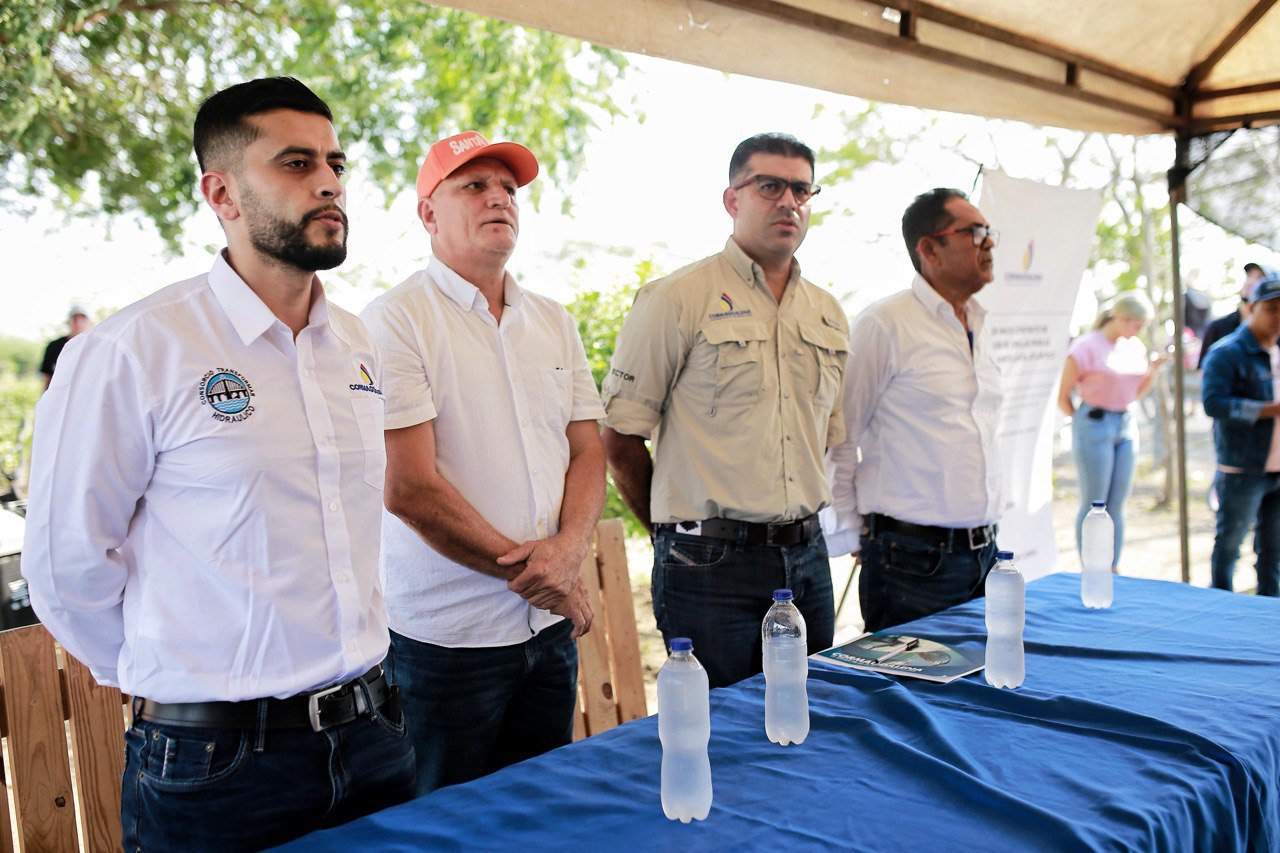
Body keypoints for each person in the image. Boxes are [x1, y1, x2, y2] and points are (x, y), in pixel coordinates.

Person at [21, 77, 414, 851]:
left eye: (335, 162)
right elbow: (66, 568)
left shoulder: (359, 345)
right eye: (296, 163)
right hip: (218, 765)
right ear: (222, 193)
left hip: (377, 735)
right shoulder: (135, 350)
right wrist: (181, 681)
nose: (330, 181)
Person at [361, 131, 605, 795]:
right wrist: (543, 574)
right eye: (474, 185)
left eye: (509, 188)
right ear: (428, 213)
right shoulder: (395, 321)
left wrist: (567, 552)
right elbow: (410, 487)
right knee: (445, 828)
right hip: (448, 646)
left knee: (541, 817)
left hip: (549, 631)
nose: (499, 197)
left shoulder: (553, 320)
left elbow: (589, 448)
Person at [602, 132, 847, 689]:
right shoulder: (677, 298)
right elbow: (619, 439)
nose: (789, 202)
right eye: (769, 186)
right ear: (732, 200)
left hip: (808, 558)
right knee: (723, 740)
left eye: (802, 190)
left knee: (810, 726)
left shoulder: (828, 312)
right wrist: (674, 537)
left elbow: (824, 439)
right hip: (709, 567)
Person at [823, 188, 1003, 633]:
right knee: (912, 697)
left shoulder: (982, 322)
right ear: (929, 249)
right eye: (975, 232)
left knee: (980, 693)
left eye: (989, 231)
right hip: (910, 559)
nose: (989, 243)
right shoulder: (884, 324)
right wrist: (853, 535)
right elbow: (839, 438)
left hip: (986, 553)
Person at [1057, 293, 1169, 570]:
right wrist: (1082, 420)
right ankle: (1093, 567)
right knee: (1096, 501)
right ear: (1120, 318)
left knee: (1117, 503)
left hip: (1125, 422)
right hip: (1095, 422)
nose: (1140, 331)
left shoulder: (1133, 346)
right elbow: (1063, 394)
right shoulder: (1086, 347)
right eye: (1137, 324)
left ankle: (1112, 566)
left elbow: (1135, 392)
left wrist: (1152, 372)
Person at [1202, 271, 1280, 597]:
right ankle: (1219, 613)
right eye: (1272, 308)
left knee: (1273, 553)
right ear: (1251, 308)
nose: (1278, 317)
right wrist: (1269, 409)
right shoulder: (1226, 352)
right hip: (1242, 469)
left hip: (1277, 468)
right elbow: (1214, 403)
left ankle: (1267, 620)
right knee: (1229, 547)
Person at [1198, 263, 1269, 370]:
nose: (1251, 281)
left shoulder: (1274, 335)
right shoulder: (1216, 327)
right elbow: (1203, 371)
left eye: (1259, 278)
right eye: (1249, 276)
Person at [39, 305, 93, 389]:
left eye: (82, 319)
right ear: (68, 322)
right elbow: (47, 377)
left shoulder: (95, 347)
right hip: (58, 395)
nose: (78, 323)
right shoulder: (54, 346)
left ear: (89, 323)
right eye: (75, 319)